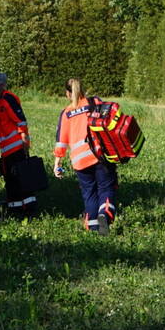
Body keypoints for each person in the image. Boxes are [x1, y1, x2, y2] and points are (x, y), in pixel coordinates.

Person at [52, 77, 118, 235]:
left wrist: (57, 164)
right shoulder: (94, 102)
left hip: (79, 161)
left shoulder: (66, 113)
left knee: (89, 194)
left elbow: (61, 141)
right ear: (82, 89)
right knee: (106, 187)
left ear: (68, 94)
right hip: (99, 154)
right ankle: (105, 214)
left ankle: (94, 227)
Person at [0, 72, 36, 215]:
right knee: (10, 181)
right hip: (6, 150)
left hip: (16, 148)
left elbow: (21, 122)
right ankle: (15, 209)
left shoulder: (9, 99)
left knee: (20, 179)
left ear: (2, 86)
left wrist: (25, 142)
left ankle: (28, 210)